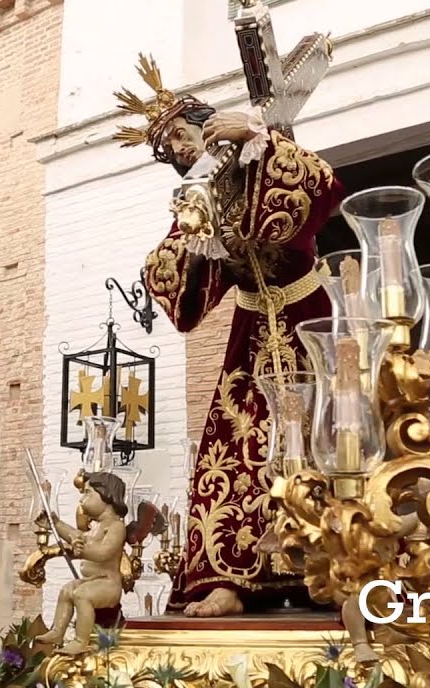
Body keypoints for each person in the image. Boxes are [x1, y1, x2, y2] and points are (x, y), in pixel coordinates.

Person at [117, 55, 341, 618]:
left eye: (180, 136)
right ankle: (231, 581)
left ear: (207, 123)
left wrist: (260, 136)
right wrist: (191, 242)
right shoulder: (201, 201)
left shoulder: (258, 154)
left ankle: (336, 565)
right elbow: (178, 296)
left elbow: (320, 188)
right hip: (249, 332)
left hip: (307, 319)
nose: (179, 151)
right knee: (233, 449)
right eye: (168, 151)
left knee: (331, 435)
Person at [35, 472, 128, 655]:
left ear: (106, 495)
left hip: (108, 584)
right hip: (92, 580)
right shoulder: (96, 527)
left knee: (82, 595)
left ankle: (80, 641)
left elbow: (104, 552)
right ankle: (57, 631)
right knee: (67, 590)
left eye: (87, 493)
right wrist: (56, 523)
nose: (82, 500)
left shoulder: (116, 527)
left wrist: (83, 551)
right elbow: (75, 536)